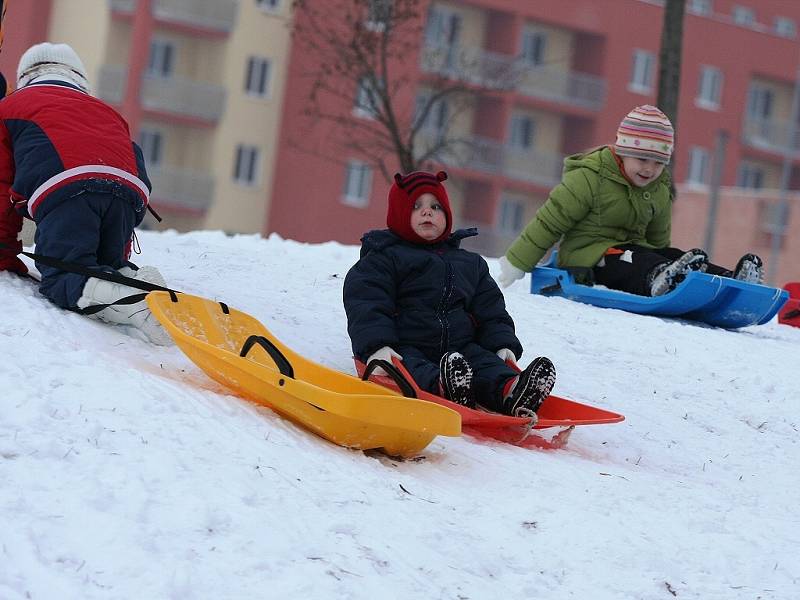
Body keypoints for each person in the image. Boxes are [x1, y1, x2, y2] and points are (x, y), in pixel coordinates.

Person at [343, 170, 556, 418]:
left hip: (461, 348)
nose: (427, 212)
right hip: (406, 344)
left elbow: (490, 309)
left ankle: (512, 390)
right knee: (413, 368)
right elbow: (367, 303)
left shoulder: (469, 263)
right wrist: (377, 345)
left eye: (436, 206)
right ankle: (446, 387)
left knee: (486, 365)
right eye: (416, 206)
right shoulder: (384, 258)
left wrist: (501, 344)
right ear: (399, 214)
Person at [0, 42, 171, 345]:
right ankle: (134, 280)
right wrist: (116, 253)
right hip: (128, 191)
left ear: (25, 76)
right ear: (79, 78)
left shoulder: (10, 108)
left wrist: (3, 249)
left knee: (65, 277)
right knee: (104, 268)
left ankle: (137, 305)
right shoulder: (106, 111)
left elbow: (1, 185)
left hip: (69, 189)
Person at [497, 105, 764, 297]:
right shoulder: (589, 179)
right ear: (623, 153)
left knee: (672, 256)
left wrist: (667, 258)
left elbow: (659, 241)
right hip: (589, 258)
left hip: (635, 254)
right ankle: (659, 278)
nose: (649, 169)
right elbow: (549, 222)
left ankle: (728, 281)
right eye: (642, 160)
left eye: (658, 163)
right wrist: (517, 263)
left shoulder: (658, 188)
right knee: (629, 258)